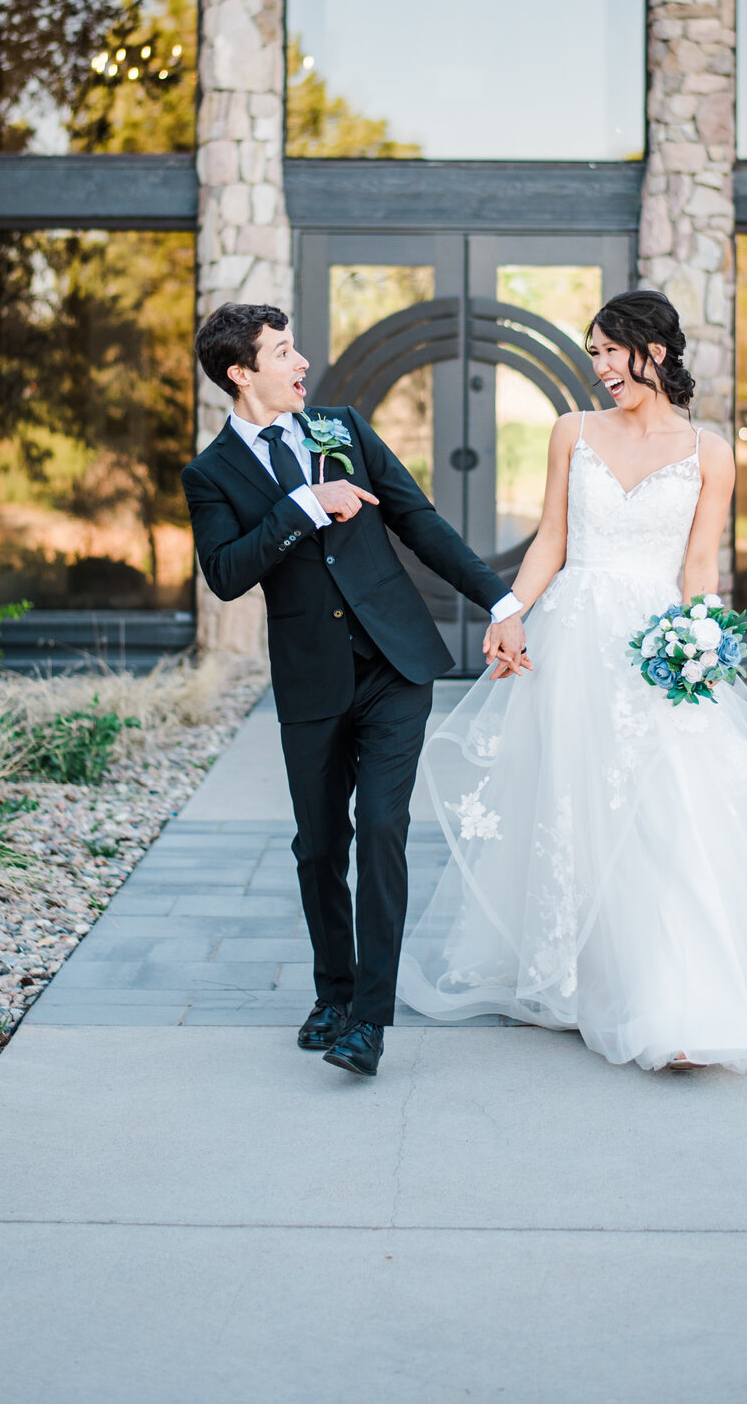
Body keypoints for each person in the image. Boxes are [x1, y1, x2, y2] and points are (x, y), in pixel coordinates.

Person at [399, 289, 747, 1072]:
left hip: (655, 647)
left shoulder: (710, 451)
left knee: (667, 810)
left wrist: (701, 644)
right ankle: (575, 977)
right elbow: (553, 537)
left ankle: (678, 1001)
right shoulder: (570, 433)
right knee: (574, 800)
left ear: (653, 349)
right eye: (594, 355)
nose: (601, 368)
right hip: (573, 637)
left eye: (610, 351)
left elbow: (697, 569)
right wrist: (510, 611)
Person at [182, 303, 527, 1079]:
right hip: (311, 682)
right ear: (241, 373)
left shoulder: (341, 426)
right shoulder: (209, 473)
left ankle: (368, 1018)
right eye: (281, 351)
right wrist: (304, 506)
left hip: (396, 665)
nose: (301, 361)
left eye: (294, 346)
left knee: (380, 829)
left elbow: (417, 519)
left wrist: (501, 601)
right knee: (319, 847)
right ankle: (332, 992)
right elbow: (228, 573)